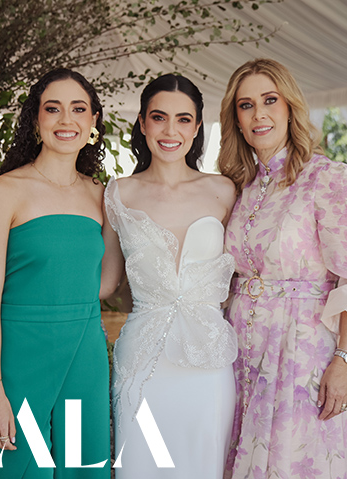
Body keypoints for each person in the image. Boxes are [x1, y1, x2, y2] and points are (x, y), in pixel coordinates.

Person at [218, 58, 347, 479]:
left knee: (296, 461)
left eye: (269, 101)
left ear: (290, 107)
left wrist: (344, 361)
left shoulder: (328, 178)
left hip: (301, 351)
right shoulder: (239, 186)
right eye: (246, 105)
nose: (258, 114)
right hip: (240, 351)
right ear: (236, 119)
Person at [0, 68, 111, 478]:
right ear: (36, 119)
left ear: (93, 121)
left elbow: (104, 284)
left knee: (84, 467)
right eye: (53, 109)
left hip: (85, 351)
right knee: (18, 468)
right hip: (20, 355)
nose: (66, 120)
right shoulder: (2, 191)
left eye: (78, 109)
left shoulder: (101, 194)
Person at [100, 74, 238, 478]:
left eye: (183, 119)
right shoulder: (118, 193)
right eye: (159, 117)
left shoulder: (225, 190)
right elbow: (106, 283)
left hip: (208, 361)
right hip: (143, 361)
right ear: (142, 123)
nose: (170, 131)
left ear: (197, 128)